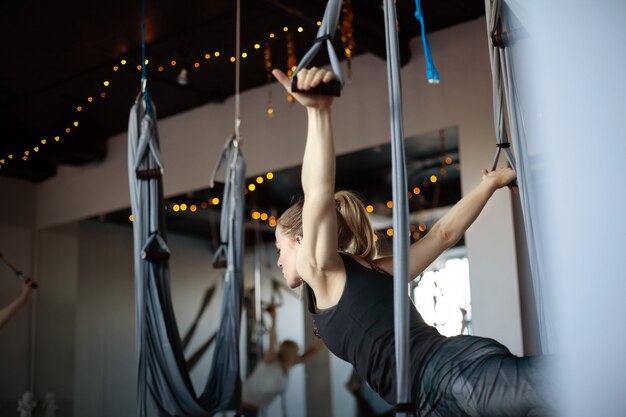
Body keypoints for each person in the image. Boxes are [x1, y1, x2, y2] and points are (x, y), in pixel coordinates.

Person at [270, 67, 554, 417]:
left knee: (570, 386)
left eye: (279, 249)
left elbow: (317, 193)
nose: (279, 260)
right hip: (428, 399)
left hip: (448, 376)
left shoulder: (321, 269)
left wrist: (318, 113)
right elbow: (443, 235)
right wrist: (488, 185)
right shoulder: (368, 272)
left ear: (302, 240)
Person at [241, 304, 324, 416]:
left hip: (252, 410)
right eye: (296, 352)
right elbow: (272, 340)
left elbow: (312, 351)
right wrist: (274, 318)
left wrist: (325, 330)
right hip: (240, 404)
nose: (298, 355)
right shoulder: (270, 361)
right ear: (289, 354)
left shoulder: (289, 364)